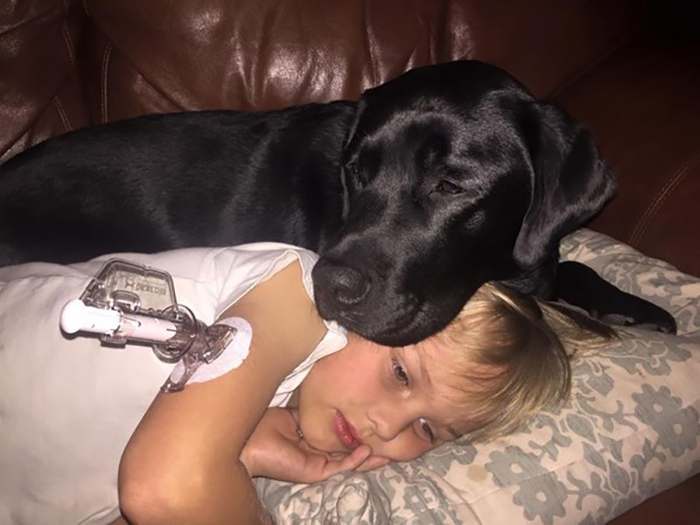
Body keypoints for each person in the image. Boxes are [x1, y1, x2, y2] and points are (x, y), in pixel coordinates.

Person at [0, 243, 611, 524]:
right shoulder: (295, 294)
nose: (386, 426)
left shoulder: (271, 402)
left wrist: (235, 453)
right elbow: (166, 489)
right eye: (400, 373)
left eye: (428, 429)